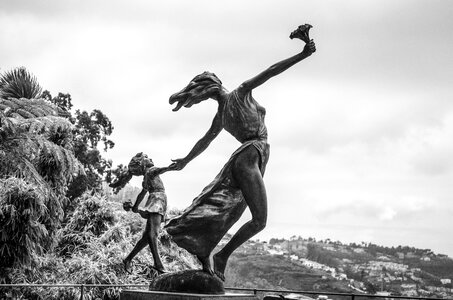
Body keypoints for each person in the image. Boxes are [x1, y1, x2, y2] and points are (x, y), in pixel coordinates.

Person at [165, 32, 316, 280]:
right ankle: (222, 256)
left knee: (226, 210)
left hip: (248, 156)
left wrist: (185, 161)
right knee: (259, 220)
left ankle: (207, 251)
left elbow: (204, 141)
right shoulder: (241, 92)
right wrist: (302, 54)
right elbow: (271, 70)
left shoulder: (222, 115)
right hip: (250, 155)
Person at [110, 152, 169, 274]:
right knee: (153, 233)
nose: (150, 158)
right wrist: (174, 166)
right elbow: (163, 169)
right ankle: (158, 264)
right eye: (147, 158)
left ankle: (128, 259)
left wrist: (135, 207)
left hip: (157, 200)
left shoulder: (146, 177)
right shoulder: (151, 170)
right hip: (157, 200)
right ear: (142, 163)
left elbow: (142, 194)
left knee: (146, 238)